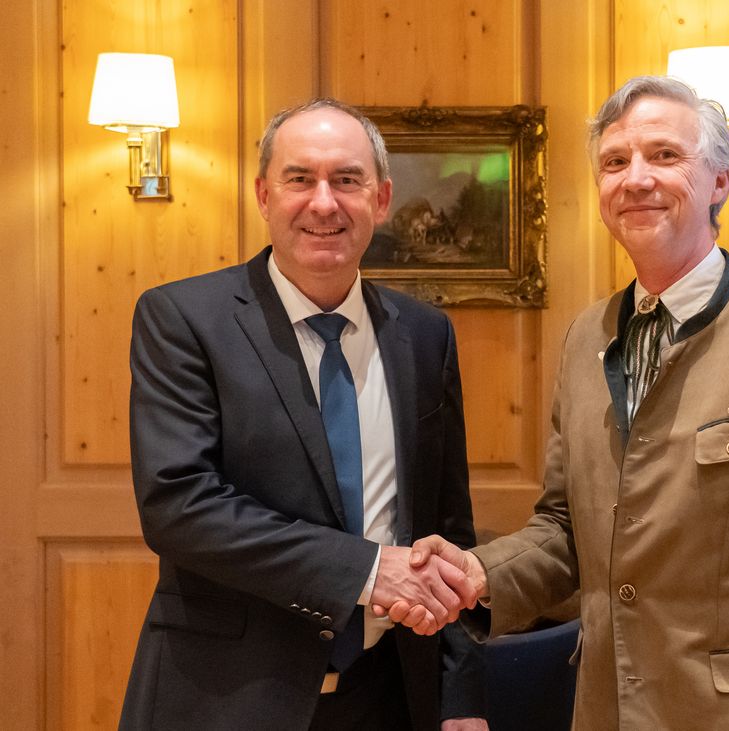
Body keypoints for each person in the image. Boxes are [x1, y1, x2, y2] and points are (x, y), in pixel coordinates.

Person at [392, 76, 729, 729]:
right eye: (615, 161)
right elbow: (566, 530)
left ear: (720, 180)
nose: (635, 178)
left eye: (664, 155)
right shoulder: (587, 337)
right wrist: (475, 570)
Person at [120, 98, 487, 730]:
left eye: (347, 179)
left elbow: (447, 524)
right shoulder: (183, 319)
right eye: (300, 179)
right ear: (264, 195)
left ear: (381, 199)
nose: (324, 203)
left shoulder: (426, 335)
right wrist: (367, 572)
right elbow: (179, 506)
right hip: (227, 698)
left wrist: (461, 699)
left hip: (389, 697)